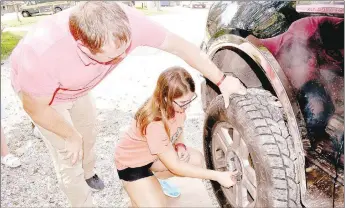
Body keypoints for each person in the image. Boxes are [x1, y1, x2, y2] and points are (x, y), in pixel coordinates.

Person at [9, 2, 246, 207]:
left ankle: (89, 172)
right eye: (113, 56)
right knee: (69, 156)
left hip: (79, 88)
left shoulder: (131, 23)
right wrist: (69, 134)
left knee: (88, 131)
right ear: (83, 46)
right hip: (49, 99)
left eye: (125, 50)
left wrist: (221, 80)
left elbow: (180, 46)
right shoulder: (41, 56)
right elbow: (35, 107)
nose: (121, 59)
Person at [114, 67, 238, 207]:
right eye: (183, 103)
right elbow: (176, 167)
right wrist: (217, 176)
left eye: (190, 100)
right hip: (133, 165)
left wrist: (180, 146)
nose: (188, 106)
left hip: (155, 156)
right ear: (166, 97)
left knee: (196, 159)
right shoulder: (154, 123)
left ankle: (150, 185)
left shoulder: (176, 108)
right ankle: (140, 188)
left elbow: (178, 130)